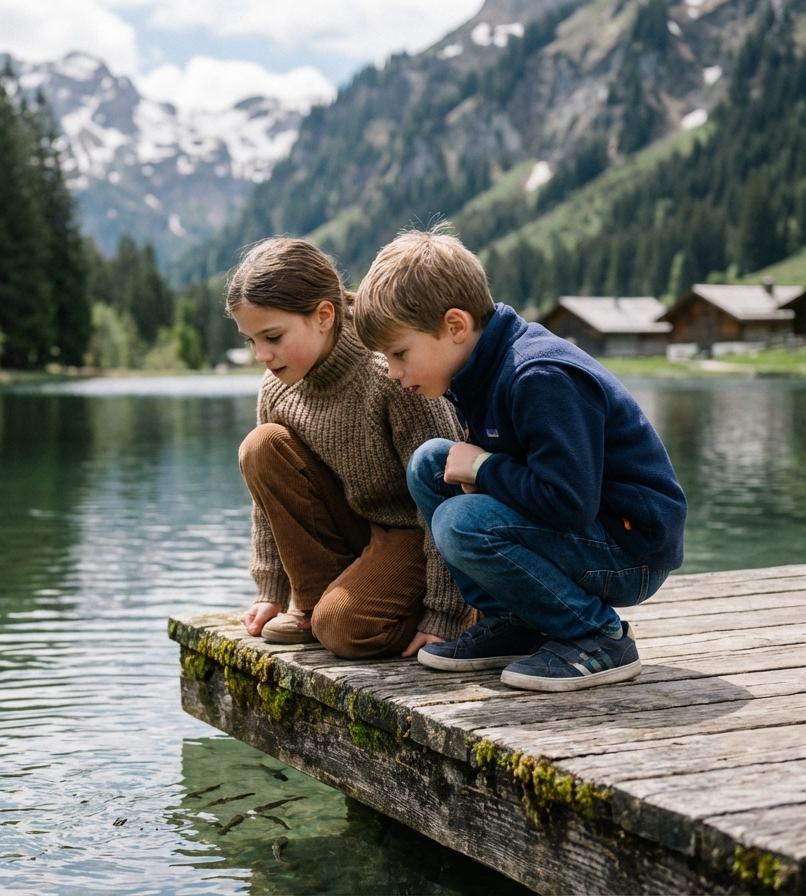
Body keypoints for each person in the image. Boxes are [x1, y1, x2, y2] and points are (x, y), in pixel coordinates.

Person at [353, 229, 687, 691]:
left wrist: (484, 470)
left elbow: (569, 502)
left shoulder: (539, 376)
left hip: (631, 550)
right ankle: (513, 622)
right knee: (431, 462)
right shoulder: (477, 370)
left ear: (454, 326)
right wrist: (482, 470)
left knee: (459, 520)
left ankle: (597, 636)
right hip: (585, 531)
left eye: (399, 353)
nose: (392, 372)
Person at [228, 237, 476, 659]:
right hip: (362, 525)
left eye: (272, 336)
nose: (261, 355)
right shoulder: (278, 387)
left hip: (420, 532)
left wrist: (446, 614)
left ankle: (477, 614)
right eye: (251, 340)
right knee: (261, 446)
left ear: (324, 315)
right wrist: (270, 587)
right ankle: (312, 604)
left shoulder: (393, 372)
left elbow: (448, 495)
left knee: (344, 630)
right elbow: (266, 502)